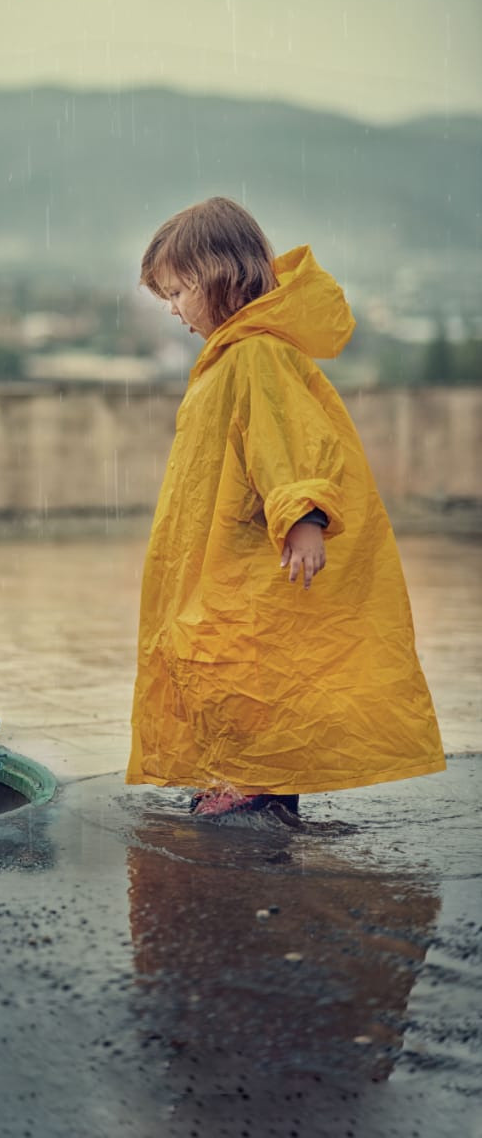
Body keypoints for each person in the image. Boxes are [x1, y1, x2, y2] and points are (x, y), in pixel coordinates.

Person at [125, 196, 446, 818]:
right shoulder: (233, 353)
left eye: (178, 290)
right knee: (222, 663)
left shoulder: (256, 353)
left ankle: (256, 785)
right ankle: (243, 776)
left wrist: (303, 517)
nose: (173, 309)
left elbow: (290, 440)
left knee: (249, 667)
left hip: (251, 550)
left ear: (220, 276)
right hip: (224, 545)